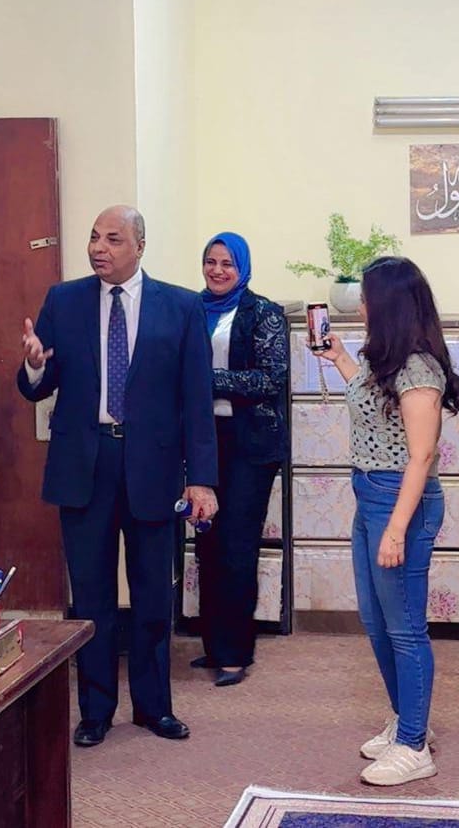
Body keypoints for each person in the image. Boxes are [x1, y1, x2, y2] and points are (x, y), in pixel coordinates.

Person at [17, 204, 218, 747]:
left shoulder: (181, 306)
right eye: (93, 238)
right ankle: (95, 710)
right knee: (91, 597)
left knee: (153, 596)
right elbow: (38, 385)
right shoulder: (64, 300)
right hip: (86, 464)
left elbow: (197, 400)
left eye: (112, 239)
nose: (98, 248)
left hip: (153, 467)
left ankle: (154, 708)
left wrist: (201, 478)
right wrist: (35, 363)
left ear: (139, 247)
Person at [310, 256, 459, 787]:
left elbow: (421, 455)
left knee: (404, 628)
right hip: (370, 493)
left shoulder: (419, 369)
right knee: (377, 621)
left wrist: (397, 528)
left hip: (400, 501)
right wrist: (338, 359)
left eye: (367, 297)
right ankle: (407, 720)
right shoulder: (386, 360)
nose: (360, 305)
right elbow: (375, 408)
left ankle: (414, 745)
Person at [190, 232, 288, 687]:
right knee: (206, 544)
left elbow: (271, 378)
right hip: (202, 440)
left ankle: (235, 653)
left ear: (242, 268)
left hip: (250, 444)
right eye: (211, 261)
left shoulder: (262, 313)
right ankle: (214, 646)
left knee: (236, 546)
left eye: (227, 263)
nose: (217, 271)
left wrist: (207, 378)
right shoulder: (192, 309)